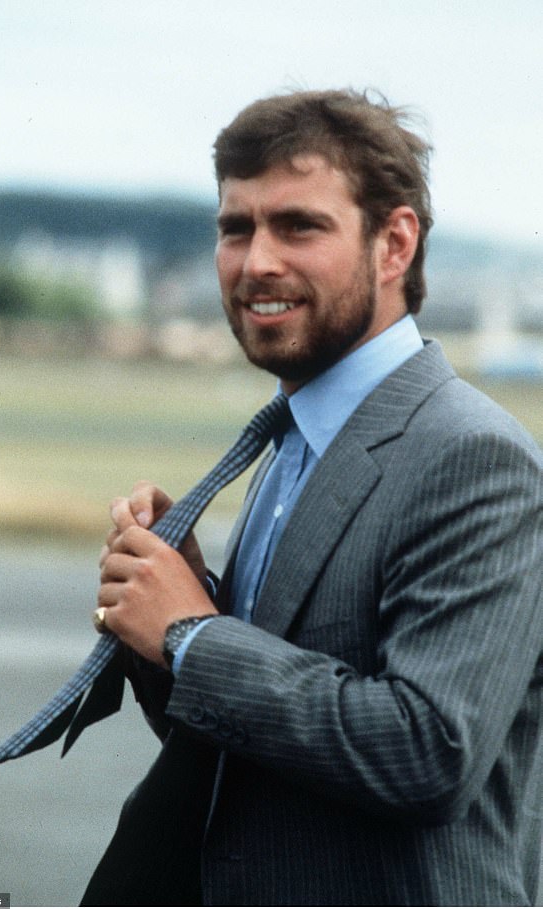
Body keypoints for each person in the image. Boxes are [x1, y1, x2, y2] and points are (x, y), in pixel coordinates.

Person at [82, 89, 543, 906]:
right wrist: (165, 618)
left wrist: (190, 635)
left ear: (394, 243)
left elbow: (428, 752)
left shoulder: (475, 457)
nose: (257, 260)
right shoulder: (297, 436)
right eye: (236, 227)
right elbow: (257, 749)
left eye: (299, 225)